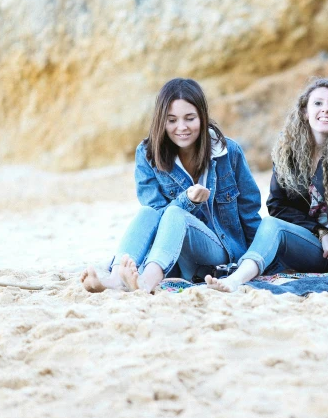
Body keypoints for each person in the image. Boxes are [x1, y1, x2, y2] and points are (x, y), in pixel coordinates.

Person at [80, 78, 262, 293]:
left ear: (202, 118)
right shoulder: (147, 154)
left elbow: (249, 209)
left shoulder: (227, 151)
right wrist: (188, 200)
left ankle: (146, 281)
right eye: (172, 120)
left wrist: (257, 259)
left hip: (221, 251)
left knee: (177, 213)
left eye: (190, 118)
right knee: (148, 212)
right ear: (161, 121)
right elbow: (157, 214)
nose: (182, 127)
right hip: (173, 257)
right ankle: (114, 279)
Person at [205, 77, 328, 292]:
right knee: (270, 223)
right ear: (305, 112)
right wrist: (321, 232)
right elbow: (277, 206)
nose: (325, 109)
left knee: (271, 225)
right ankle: (239, 273)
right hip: (299, 243)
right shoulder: (287, 154)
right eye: (318, 103)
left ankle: (235, 280)